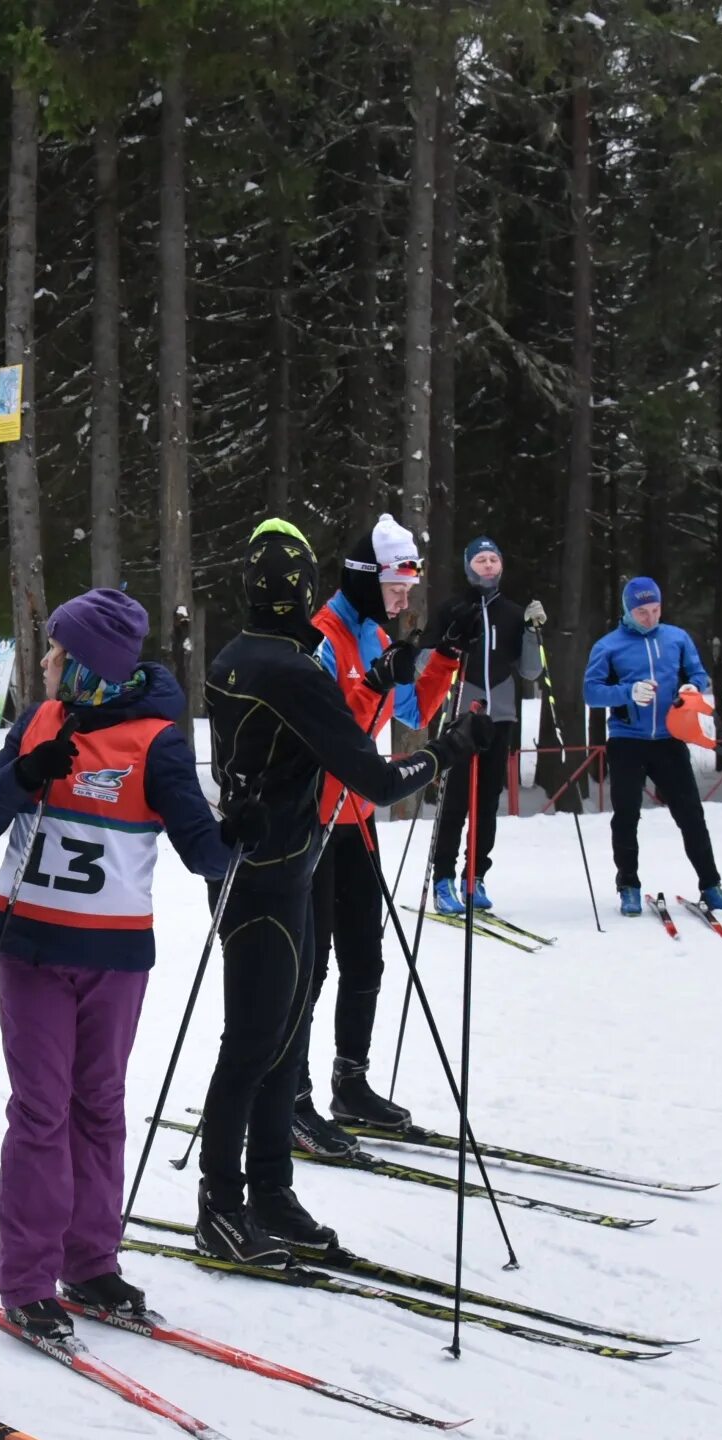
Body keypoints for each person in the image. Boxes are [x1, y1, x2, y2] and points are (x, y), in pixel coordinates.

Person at [195, 519, 491, 1263]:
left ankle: (270, 1192)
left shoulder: (239, 653)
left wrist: (391, 682)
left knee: (283, 1035)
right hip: (273, 871)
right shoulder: (293, 667)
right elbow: (380, 776)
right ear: (298, 592)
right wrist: (446, 753)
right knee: (254, 1044)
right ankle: (220, 1206)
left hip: (274, 861)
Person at [0, 589, 230, 1340]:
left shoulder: (157, 740)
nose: (45, 661)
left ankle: (91, 1261)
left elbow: (204, 850)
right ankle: (25, 1277)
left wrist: (246, 824)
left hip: (113, 956)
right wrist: (25, 773)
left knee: (100, 1107)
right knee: (41, 1111)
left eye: (55, 650)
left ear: (87, 665)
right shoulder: (40, 720)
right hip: (33, 949)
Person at [291, 514, 465, 1154]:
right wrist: (380, 679)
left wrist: (442, 654)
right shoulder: (323, 636)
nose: (402, 603)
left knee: (366, 956)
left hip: (358, 818)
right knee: (308, 969)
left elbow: (414, 711)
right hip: (316, 818)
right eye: (395, 590)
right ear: (366, 579)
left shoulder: (373, 634)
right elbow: (337, 732)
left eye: (409, 593)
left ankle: (351, 1081)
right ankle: (293, 1095)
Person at [583, 578, 722, 918]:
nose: (650, 618)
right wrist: (627, 692)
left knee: (691, 815)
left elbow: (699, 675)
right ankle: (629, 885)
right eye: (642, 612)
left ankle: (711, 886)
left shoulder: (677, 638)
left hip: (669, 741)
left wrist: (691, 687)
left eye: (655, 610)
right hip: (627, 740)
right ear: (627, 610)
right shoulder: (608, 646)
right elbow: (591, 692)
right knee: (626, 816)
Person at [426, 537, 546, 915]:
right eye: (481, 559)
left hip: (501, 716)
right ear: (468, 567)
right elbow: (427, 659)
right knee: (456, 800)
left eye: (494, 558)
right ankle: (443, 879)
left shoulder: (513, 612)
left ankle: (474, 876)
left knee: (486, 802)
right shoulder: (452, 609)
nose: (488, 565)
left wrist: (531, 632)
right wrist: (450, 640)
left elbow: (530, 670)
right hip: (462, 714)